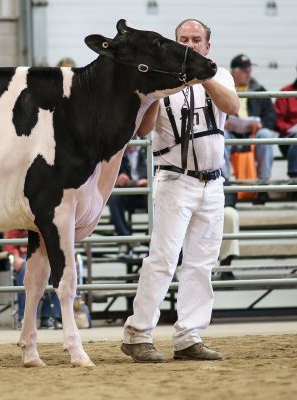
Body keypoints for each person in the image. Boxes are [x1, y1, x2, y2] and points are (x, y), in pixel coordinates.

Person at [121, 18, 239, 363]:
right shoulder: (160, 79)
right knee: (163, 259)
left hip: (212, 183)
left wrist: (202, 76)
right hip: (175, 180)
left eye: (196, 40)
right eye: (183, 39)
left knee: (201, 264)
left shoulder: (219, 74)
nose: (189, 45)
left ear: (207, 46)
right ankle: (137, 334)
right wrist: (158, 93)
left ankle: (189, 336)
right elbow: (143, 130)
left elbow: (232, 107)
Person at [225, 54, 277, 201]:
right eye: (244, 71)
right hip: (230, 132)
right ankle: (225, 185)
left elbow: (271, 115)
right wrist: (223, 124)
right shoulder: (224, 89)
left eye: (249, 70)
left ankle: (263, 186)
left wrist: (261, 125)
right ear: (233, 72)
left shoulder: (258, 89)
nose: (248, 73)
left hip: (253, 134)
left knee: (266, 136)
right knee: (220, 136)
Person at [3, 229, 62, 329]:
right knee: (25, 271)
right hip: (24, 255)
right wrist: (15, 256)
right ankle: (25, 318)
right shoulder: (19, 223)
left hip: (45, 253)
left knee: (58, 270)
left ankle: (49, 316)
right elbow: (10, 241)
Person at [107, 141, 148, 257]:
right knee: (114, 197)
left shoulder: (147, 150)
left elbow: (156, 177)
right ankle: (125, 240)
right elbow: (113, 179)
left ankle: (150, 237)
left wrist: (146, 181)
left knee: (156, 197)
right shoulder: (118, 155)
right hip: (127, 194)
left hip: (145, 194)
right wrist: (116, 178)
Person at [274, 65, 297, 180]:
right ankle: (294, 177)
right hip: (288, 139)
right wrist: (291, 128)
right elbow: (277, 121)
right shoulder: (285, 92)